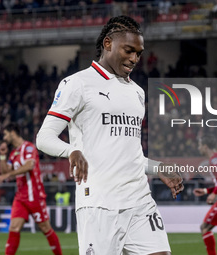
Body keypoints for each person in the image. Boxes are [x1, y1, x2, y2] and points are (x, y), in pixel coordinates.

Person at [36, 15, 184, 255]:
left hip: (139, 199)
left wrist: (157, 168)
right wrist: (70, 150)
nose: (134, 58)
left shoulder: (136, 92)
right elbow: (44, 138)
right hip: (99, 203)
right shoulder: (77, 84)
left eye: (139, 53)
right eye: (128, 50)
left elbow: (126, 153)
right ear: (108, 44)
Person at [0, 123, 62, 255]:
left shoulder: (29, 148)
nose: (4, 137)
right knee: (14, 227)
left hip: (34, 195)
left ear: (13, 132)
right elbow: (5, 171)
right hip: (20, 197)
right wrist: (2, 156)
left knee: (45, 228)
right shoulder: (14, 153)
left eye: (5, 134)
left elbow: (29, 165)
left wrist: (8, 175)